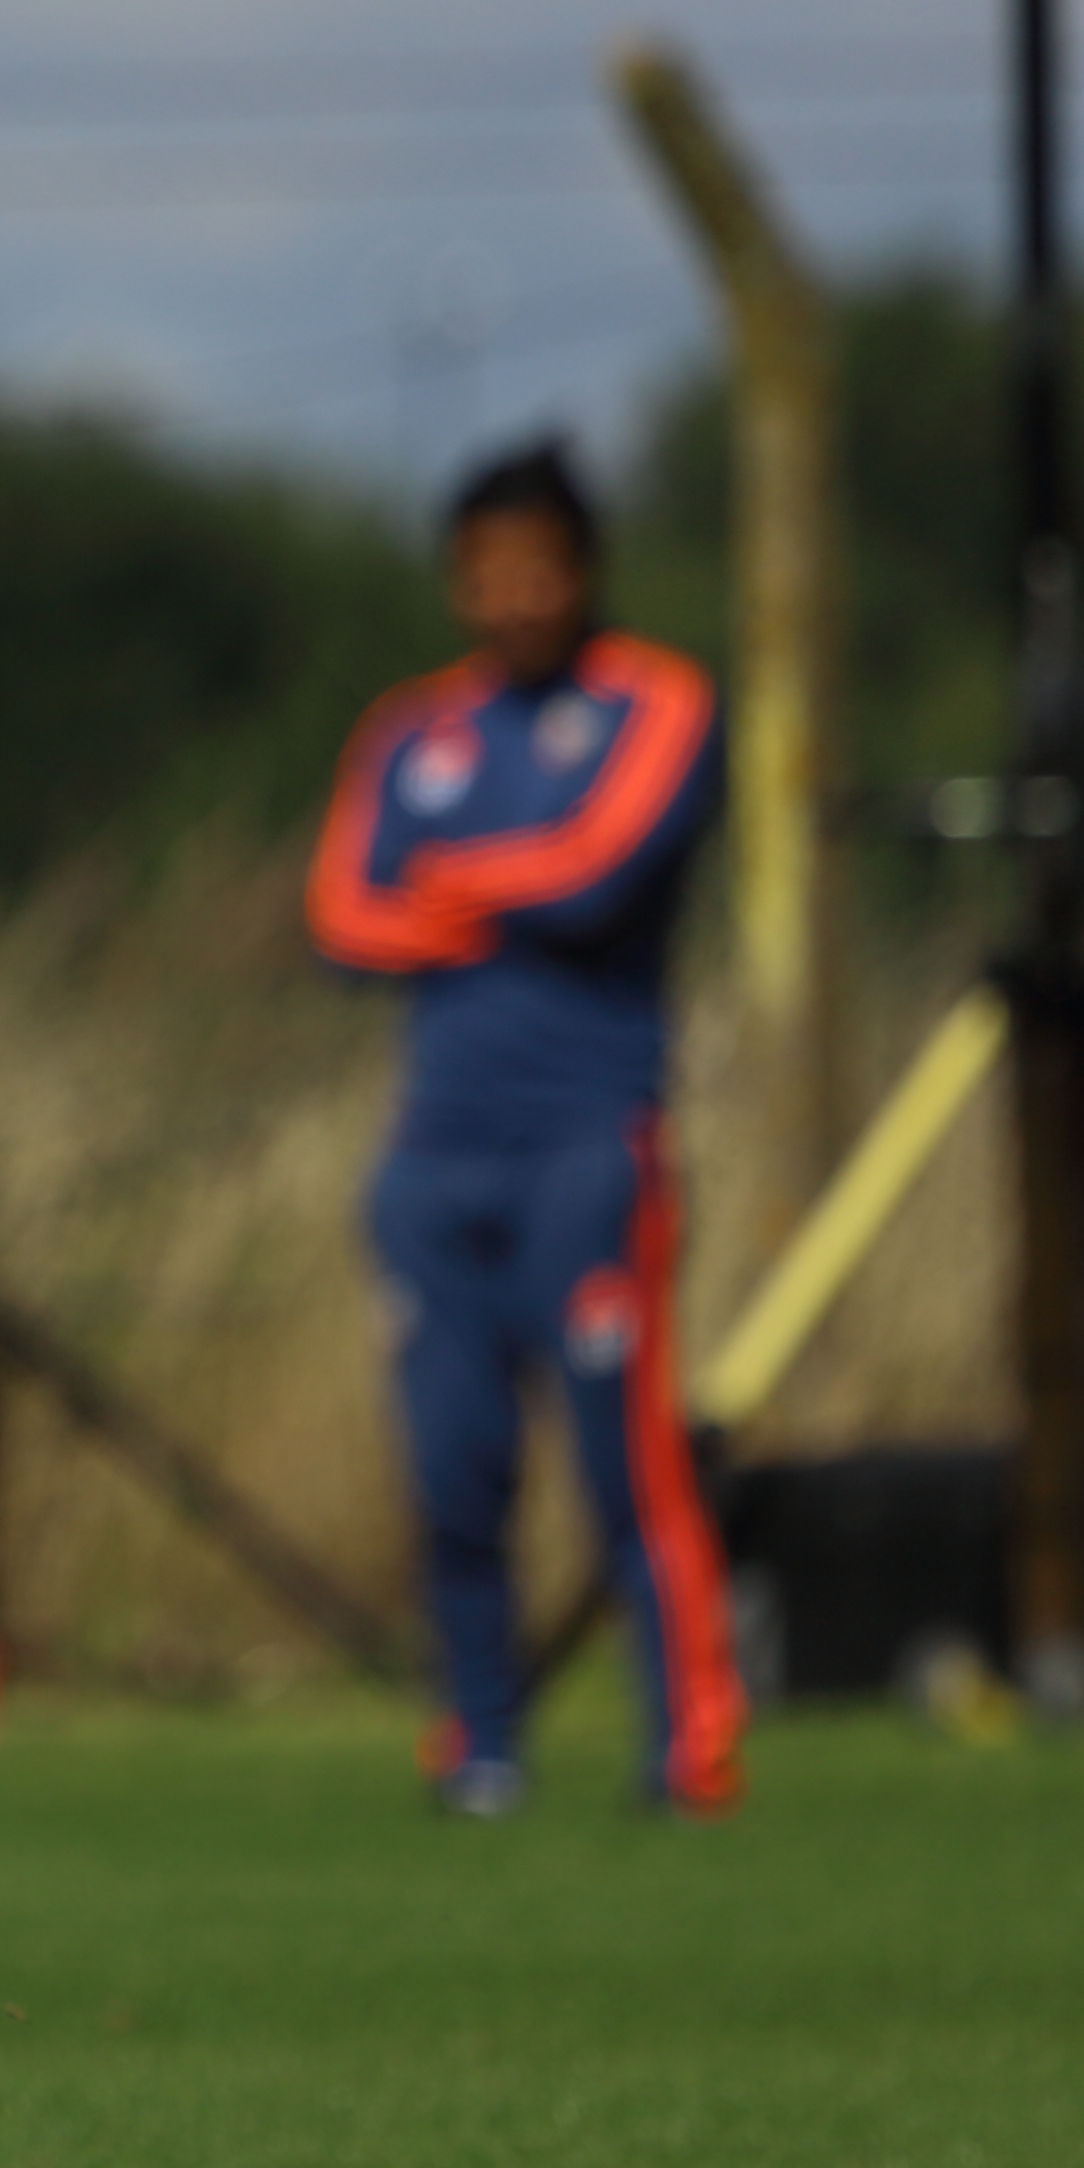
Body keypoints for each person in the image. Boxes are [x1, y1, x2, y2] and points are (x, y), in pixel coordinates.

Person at [308, 439, 736, 1821]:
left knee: (627, 1468)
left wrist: (449, 887)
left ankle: (688, 1746)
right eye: (487, 576)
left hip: (591, 1146)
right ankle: (480, 1743)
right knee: (453, 1470)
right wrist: (487, 898)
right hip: (435, 1153)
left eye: (538, 572)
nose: (515, 600)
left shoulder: (659, 700)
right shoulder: (410, 731)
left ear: (583, 572)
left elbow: (602, 872)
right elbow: (342, 917)